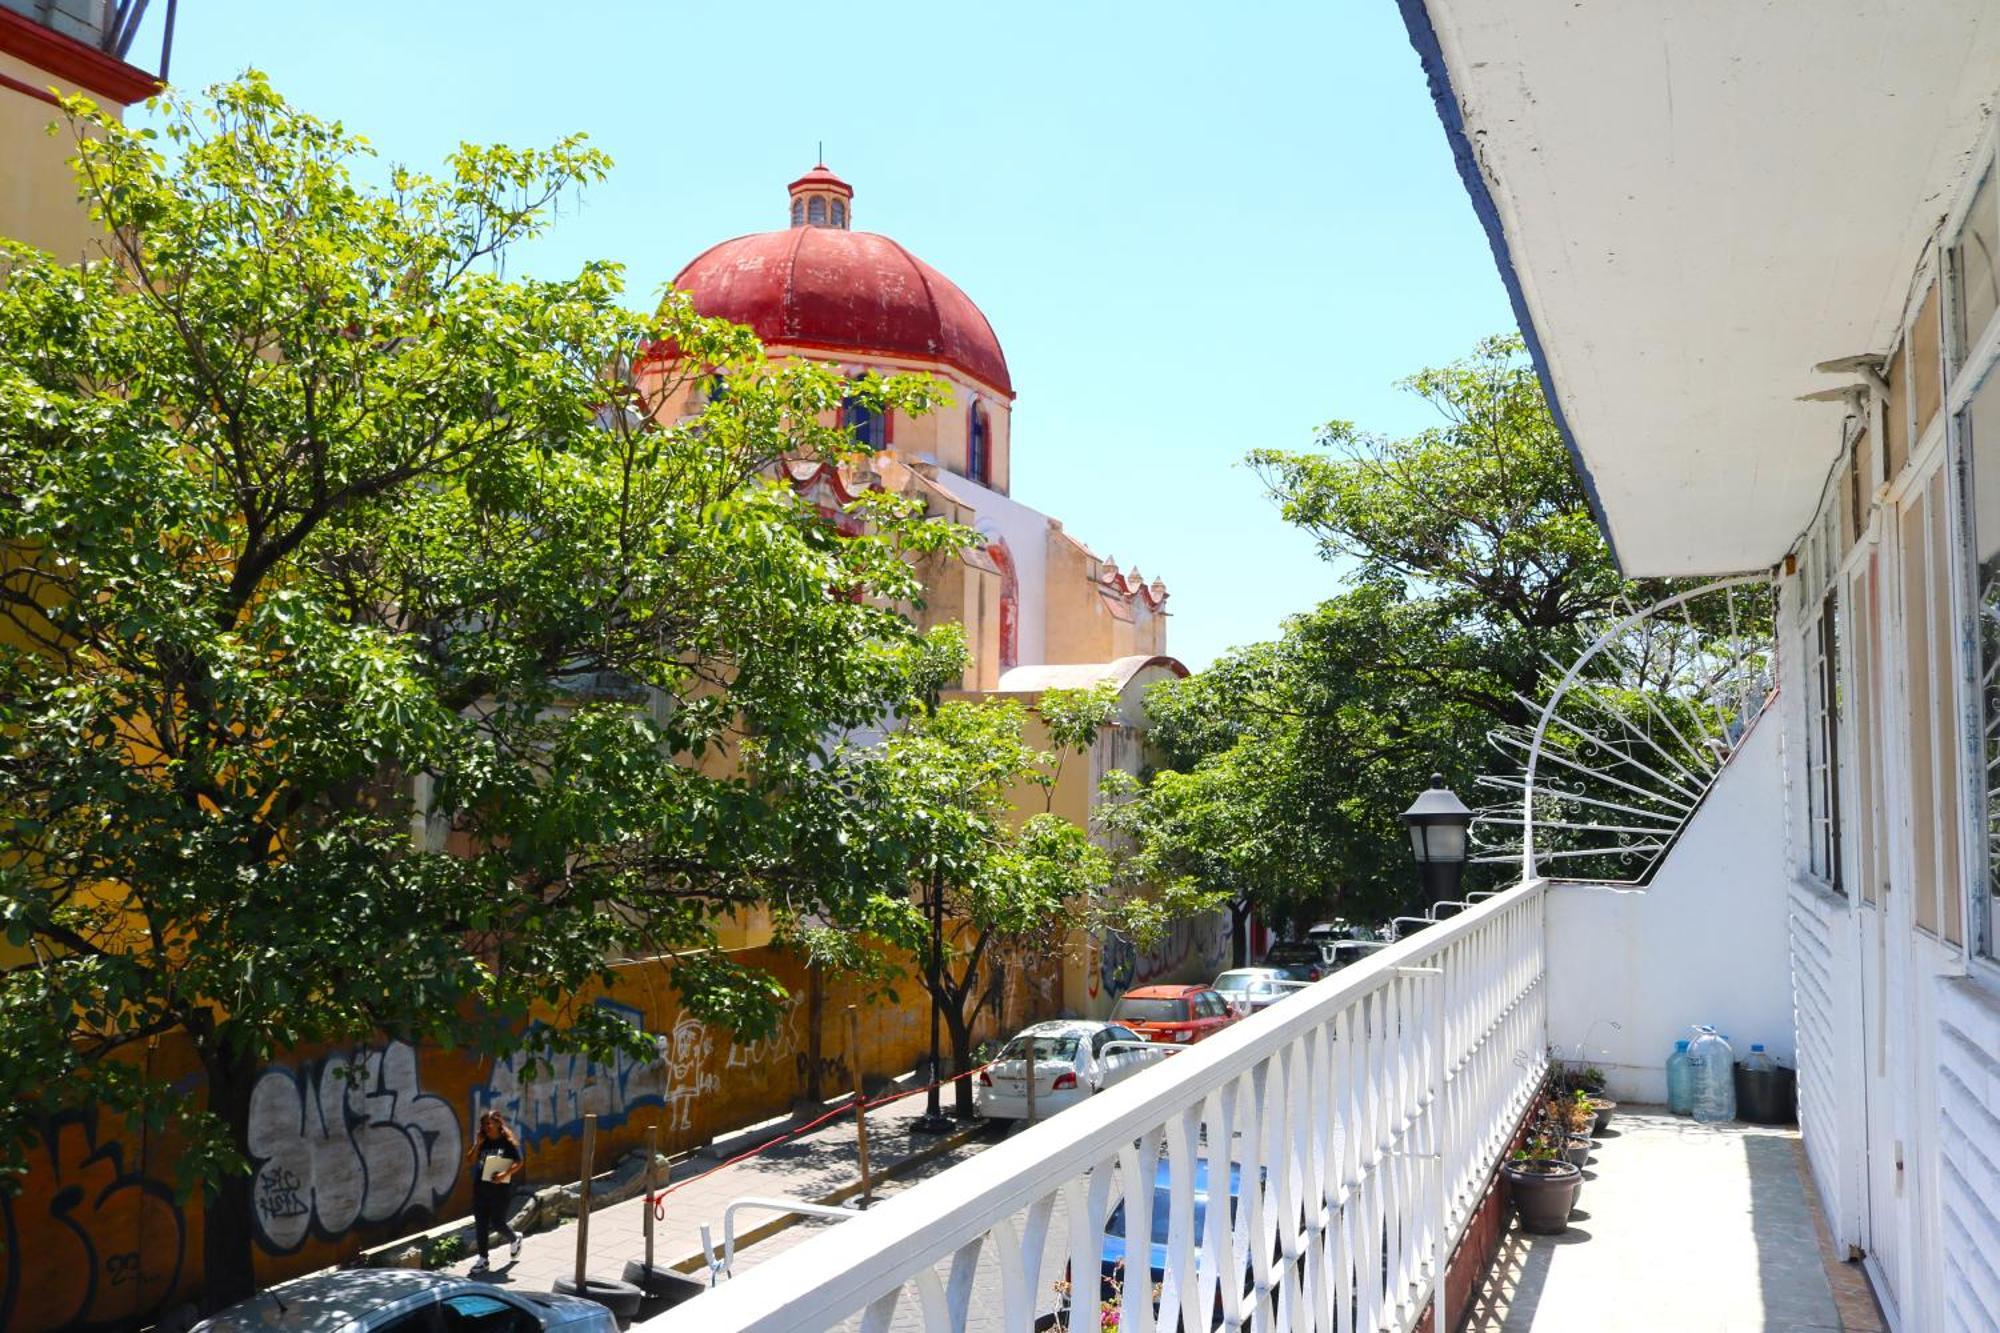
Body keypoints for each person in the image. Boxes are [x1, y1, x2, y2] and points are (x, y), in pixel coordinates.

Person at [465, 1110, 524, 1271]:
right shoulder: (483, 1142)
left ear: (499, 1123)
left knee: (498, 1223)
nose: (487, 1126)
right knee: (481, 1224)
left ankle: (514, 1238)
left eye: (490, 1123)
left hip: (500, 1190)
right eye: (484, 1124)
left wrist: (505, 1173)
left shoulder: (508, 1142)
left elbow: (519, 1162)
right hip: (480, 1188)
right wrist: (477, 1143)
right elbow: (470, 1159)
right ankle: (483, 1259)